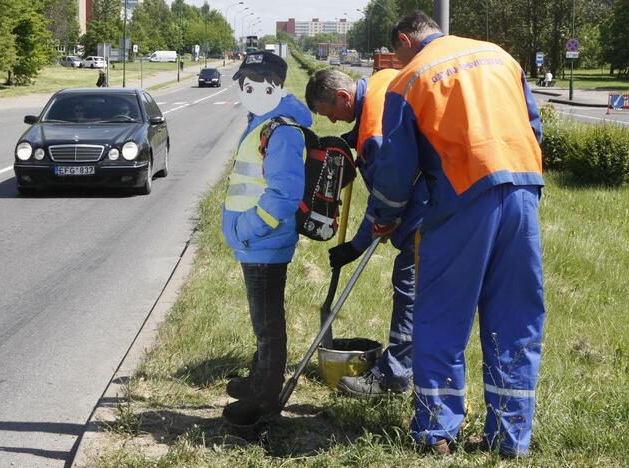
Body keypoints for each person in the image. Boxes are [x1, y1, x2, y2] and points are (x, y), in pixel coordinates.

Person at [367, 11, 545, 456]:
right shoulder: (501, 57)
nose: (397, 58)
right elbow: (533, 126)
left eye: (397, 50)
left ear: (406, 39)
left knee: (442, 314)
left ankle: (436, 432)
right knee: (516, 316)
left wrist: (384, 217)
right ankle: (509, 437)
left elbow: (394, 169)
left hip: (464, 197)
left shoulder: (409, 79)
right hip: (523, 190)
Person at [304, 68, 428, 399]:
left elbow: (386, 200)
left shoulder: (373, 131)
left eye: (331, 114)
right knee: (425, 297)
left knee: (409, 290)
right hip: (443, 194)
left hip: (426, 210)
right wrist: (352, 137)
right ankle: (420, 374)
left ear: (345, 97)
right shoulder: (381, 80)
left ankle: (394, 377)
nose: (331, 122)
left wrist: (357, 245)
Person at [221, 51, 310, 426]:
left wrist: (248, 228)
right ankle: (260, 379)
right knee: (263, 320)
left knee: (268, 323)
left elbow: (285, 193)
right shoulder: (263, 121)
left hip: (264, 242)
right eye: (244, 83)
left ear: (273, 85)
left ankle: (265, 397)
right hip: (256, 244)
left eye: (254, 83)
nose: (247, 90)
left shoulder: (281, 130)